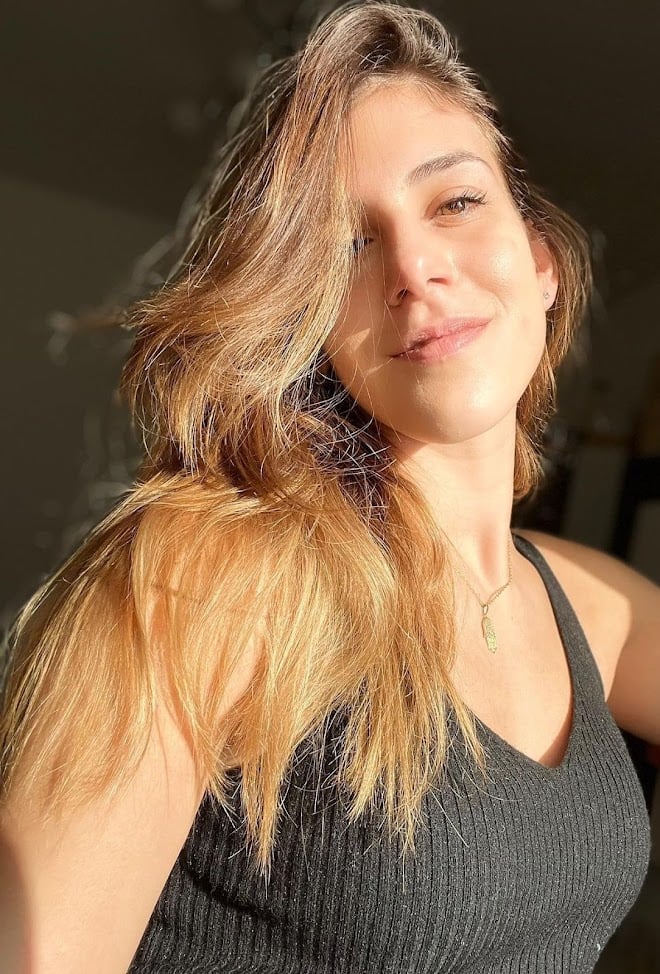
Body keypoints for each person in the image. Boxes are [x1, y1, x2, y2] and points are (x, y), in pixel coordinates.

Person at [1, 2, 658, 971]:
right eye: (346, 244)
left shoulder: (584, 604)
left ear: (542, 262)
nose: (414, 267)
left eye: (455, 201)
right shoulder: (205, 575)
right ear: (309, 323)